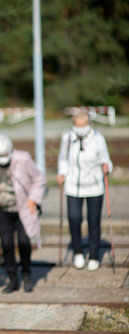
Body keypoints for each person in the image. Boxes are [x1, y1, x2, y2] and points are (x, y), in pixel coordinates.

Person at [0, 134, 46, 293]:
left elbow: (39, 179)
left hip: (23, 209)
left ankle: (27, 275)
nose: (3, 159)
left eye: (5, 155)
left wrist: (34, 199)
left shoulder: (23, 158)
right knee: (6, 245)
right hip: (1, 212)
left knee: (23, 242)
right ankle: (12, 279)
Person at [57, 110, 112, 271]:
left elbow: (106, 160)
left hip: (94, 186)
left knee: (93, 222)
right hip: (73, 186)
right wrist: (62, 173)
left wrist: (107, 167)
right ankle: (78, 253)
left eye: (83, 126)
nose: (80, 129)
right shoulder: (67, 138)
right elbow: (63, 158)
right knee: (74, 219)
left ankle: (94, 256)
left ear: (89, 125)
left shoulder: (98, 139)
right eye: (77, 125)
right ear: (73, 125)